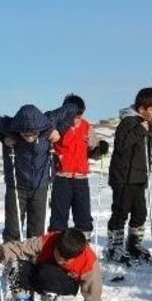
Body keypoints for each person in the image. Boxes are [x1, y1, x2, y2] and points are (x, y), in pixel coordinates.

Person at [0, 104, 77, 242]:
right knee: (13, 227)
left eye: (33, 134)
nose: (29, 137)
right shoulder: (9, 126)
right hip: (16, 186)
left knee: (37, 228)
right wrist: (3, 138)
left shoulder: (49, 121)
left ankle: (34, 258)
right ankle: (11, 258)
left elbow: (72, 109)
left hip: (40, 185)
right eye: (25, 134)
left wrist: (59, 130)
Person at [106, 87, 152, 264]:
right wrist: (139, 130)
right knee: (120, 211)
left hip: (139, 176)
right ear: (141, 109)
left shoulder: (146, 125)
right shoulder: (128, 123)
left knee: (140, 212)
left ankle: (134, 245)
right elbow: (122, 146)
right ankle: (114, 247)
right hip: (123, 176)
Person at [48, 94, 109, 236]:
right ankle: (55, 246)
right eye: (73, 116)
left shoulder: (87, 127)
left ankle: (83, 247)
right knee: (59, 217)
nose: (77, 120)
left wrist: (100, 149)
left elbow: (93, 151)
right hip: (61, 177)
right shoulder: (58, 127)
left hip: (81, 179)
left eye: (79, 116)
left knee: (83, 216)